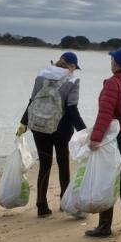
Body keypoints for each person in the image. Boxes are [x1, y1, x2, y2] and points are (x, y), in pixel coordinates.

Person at [17, 52, 86, 218]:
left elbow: (32, 101)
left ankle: (41, 205)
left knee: (45, 164)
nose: (74, 71)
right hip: (61, 129)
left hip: (39, 126)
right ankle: (65, 202)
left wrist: (23, 123)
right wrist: (83, 131)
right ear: (71, 66)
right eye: (74, 68)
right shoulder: (72, 80)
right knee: (63, 163)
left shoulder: (42, 75)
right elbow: (71, 109)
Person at [85, 49, 121, 237]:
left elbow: (105, 114)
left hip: (115, 137)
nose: (110, 62)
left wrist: (95, 138)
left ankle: (104, 226)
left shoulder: (112, 84)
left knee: (107, 178)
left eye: (112, 59)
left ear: (115, 64)